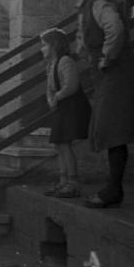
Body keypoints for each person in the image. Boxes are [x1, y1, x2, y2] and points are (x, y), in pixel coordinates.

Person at [65, 0, 134, 208]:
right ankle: (114, 189)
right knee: (110, 130)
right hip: (107, 75)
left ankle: (113, 190)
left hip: (119, 73)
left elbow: (114, 27)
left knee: (113, 130)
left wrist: (108, 56)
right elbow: (86, 39)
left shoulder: (100, 4)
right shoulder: (86, 8)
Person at [41, 28, 92, 198]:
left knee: (65, 143)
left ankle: (72, 183)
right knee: (59, 144)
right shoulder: (52, 64)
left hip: (72, 107)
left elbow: (71, 85)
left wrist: (57, 97)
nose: (42, 49)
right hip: (61, 107)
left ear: (54, 45)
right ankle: (63, 181)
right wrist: (51, 100)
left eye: (45, 45)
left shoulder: (65, 61)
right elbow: (49, 88)